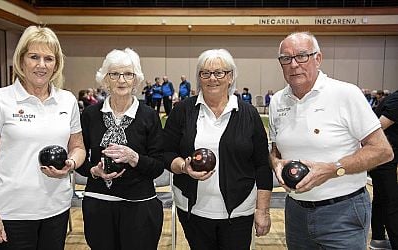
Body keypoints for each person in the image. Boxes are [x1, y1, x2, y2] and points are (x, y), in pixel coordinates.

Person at [269, 31, 393, 249]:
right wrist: (276, 163)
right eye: (286, 58)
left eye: (302, 56)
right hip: (296, 211)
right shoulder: (278, 101)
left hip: (343, 212)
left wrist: (333, 169)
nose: (294, 64)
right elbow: (275, 149)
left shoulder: (346, 94)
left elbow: (383, 151)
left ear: (318, 58)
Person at [0, 26, 86, 249]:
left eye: (48, 58)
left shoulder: (67, 100)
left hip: (56, 208)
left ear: (56, 64)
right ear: (21, 60)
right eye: (34, 57)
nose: (41, 65)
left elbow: (78, 146)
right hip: (12, 212)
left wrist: (70, 163)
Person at [163, 48, 272, 249]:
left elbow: (262, 165)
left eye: (219, 72)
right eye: (205, 73)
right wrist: (182, 166)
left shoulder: (248, 114)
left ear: (230, 77)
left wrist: (263, 210)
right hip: (192, 209)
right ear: (199, 77)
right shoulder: (182, 111)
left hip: (239, 210)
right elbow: (166, 152)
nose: (212, 78)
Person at [77, 48, 164, 250]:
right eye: (114, 74)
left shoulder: (149, 115)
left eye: (128, 74)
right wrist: (94, 171)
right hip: (99, 202)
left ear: (136, 79)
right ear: (105, 79)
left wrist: (135, 158)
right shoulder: (90, 114)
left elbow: (159, 165)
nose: (121, 80)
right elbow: (79, 158)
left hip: (140, 204)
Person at [369, 89, 398, 250]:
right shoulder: (397, 101)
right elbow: (376, 129)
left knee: (382, 199)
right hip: (383, 158)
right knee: (391, 202)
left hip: (385, 157)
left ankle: (378, 239)